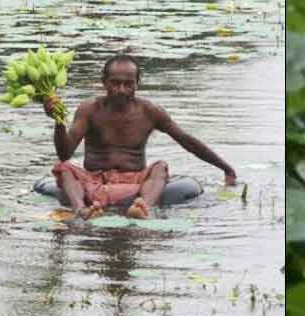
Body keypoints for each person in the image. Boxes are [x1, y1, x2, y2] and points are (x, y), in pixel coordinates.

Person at [44, 54, 237, 220]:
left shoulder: (150, 111)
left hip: (135, 180)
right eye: (115, 83)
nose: (121, 90)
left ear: (137, 84)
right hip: (94, 179)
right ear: (104, 82)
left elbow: (186, 140)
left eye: (128, 84)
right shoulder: (89, 109)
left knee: (160, 167)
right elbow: (65, 154)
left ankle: (143, 208)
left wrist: (226, 168)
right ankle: (81, 210)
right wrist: (59, 122)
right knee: (63, 167)